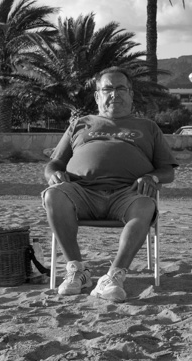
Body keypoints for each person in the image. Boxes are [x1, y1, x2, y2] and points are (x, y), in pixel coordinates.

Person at [42, 66, 178, 302]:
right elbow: (55, 163)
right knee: (53, 195)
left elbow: (167, 170)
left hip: (128, 194)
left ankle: (113, 277)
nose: (114, 93)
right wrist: (52, 175)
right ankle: (78, 271)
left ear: (131, 93)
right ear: (97, 96)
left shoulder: (148, 127)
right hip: (81, 193)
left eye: (120, 88)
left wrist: (152, 177)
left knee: (146, 206)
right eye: (107, 88)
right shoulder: (80, 124)